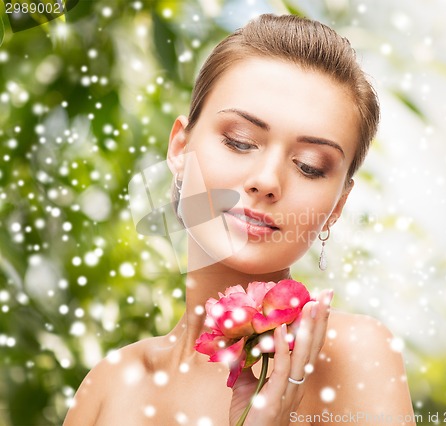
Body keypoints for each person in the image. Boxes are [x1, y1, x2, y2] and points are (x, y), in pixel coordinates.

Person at [64, 14, 415, 426]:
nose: (266, 181)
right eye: (240, 141)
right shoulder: (112, 383)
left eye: (309, 166)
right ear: (180, 147)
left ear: (337, 206)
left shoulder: (352, 355)